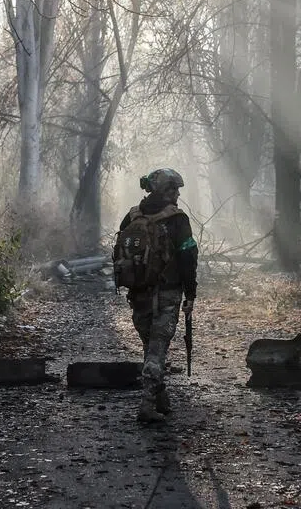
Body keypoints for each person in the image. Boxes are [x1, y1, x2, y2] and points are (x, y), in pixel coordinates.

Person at [116, 168, 198, 424]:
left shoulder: (131, 217)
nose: (178, 194)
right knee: (156, 349)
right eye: (174, 189)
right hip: (167, 293)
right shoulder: (177, 219)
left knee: (151, 347)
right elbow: (188, 258)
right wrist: (190, 294)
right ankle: (147, 406)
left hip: (138, 294)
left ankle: (160, 397)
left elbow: (119, 253)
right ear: (165, 191)